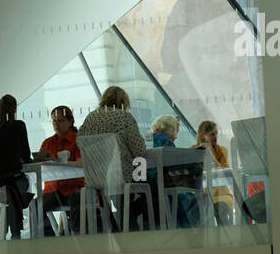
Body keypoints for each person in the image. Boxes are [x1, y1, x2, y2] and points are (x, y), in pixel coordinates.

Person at [77, 85, 148, 231]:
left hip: (95, 178)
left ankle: (120, 226)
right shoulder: (124, 117)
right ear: (124, 102)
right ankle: (137, 227)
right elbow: (139, 150)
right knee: (150, 188)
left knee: (132, 194)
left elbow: (80, 142)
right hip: (121, 176)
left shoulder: (90, 118)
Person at [0, 94, 32, 238]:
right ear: (14, 110)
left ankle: (5, 233)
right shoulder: (19, 126)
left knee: (8, 194)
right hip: (16, 183)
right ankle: (15, 234)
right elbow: (25, 155)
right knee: (15, 188)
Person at [35, 103, 84, 236]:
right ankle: (48, 237)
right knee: (35, 206)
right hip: (53, 189)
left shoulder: (78, 140)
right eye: (54, 121)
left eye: (61, 121)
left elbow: (82, 163)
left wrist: (57, 162)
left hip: (74, 186)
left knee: (77, 197)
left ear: (70, 122)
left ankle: (77, 235)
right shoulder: (47, 143)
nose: (56, 124)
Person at [147, 114, 199, 228]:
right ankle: (192, 236)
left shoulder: (147, 139)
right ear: (171, 129)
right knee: (193, 200)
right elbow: (175, 171)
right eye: (177, 131)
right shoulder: (167, 143)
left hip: (148, 187)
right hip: (163, 187)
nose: (176, 136)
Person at [194, 119, 233, 224]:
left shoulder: (221, 150)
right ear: (202, 136)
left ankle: (226, 237)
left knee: (221, 209)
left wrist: (210, 154)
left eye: (216, 134)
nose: (215, 137)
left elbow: (225, 173)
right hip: (203, 194)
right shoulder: (192, 151)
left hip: (221, 194)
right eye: (212, 134)